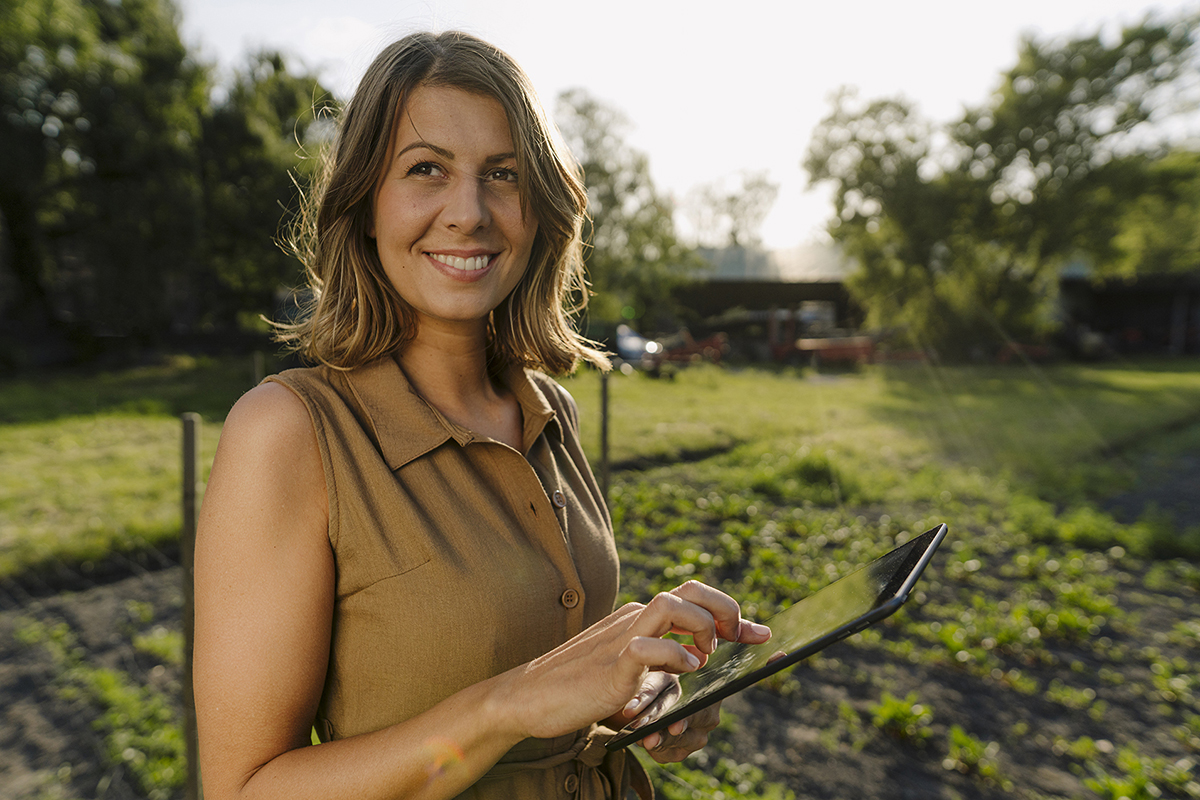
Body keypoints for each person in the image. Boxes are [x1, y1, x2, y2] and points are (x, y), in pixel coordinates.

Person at [192, 30, 770, 800]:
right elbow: (246, 790)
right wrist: (510, 703)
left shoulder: (547, 409)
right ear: (366, 202)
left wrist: (635, 705)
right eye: (426, 169)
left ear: (539, 210)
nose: (468, 213)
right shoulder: (289, 434)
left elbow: (557, 704)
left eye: (502, 174)